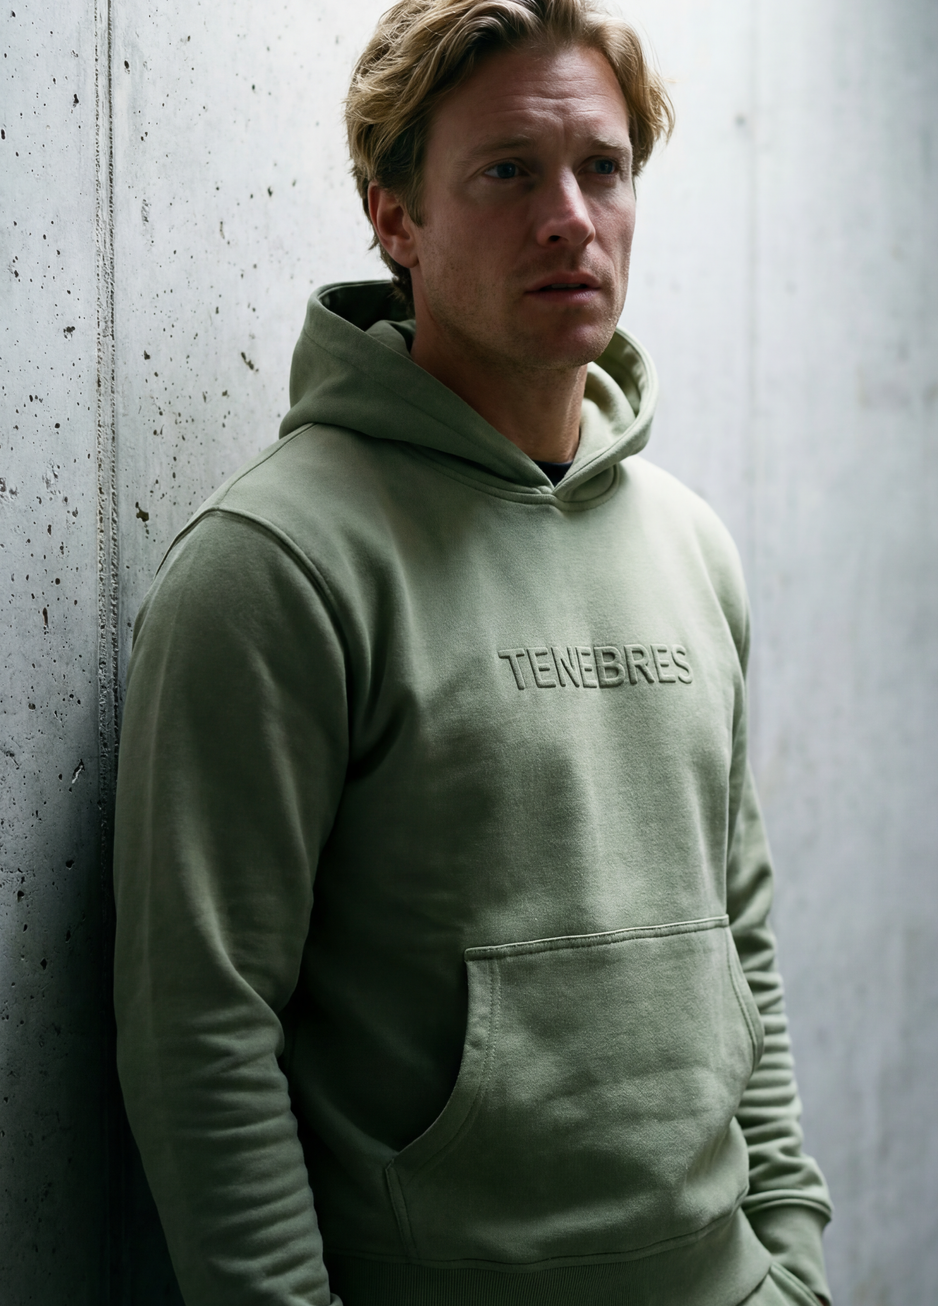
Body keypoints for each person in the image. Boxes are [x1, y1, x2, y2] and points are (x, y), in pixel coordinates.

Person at [113, 1, 833, 1303]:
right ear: (397, 219)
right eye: (508, 171)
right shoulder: (277, 566)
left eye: (603, 167)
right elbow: (200, 1027)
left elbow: (741, 944)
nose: (571, 217)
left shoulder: (691, 546)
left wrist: (793, 1257)